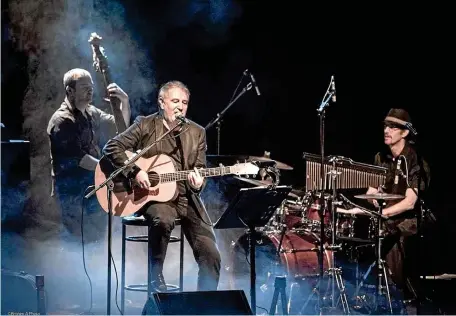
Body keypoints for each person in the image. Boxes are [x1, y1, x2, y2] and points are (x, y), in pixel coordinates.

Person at [102, 80, 221, 292]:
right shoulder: (145, 124)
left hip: (187, 199)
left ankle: (205, 304)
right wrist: (136, 171)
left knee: (211, 254)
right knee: (163, 219)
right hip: (153, 196)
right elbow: (112, 147)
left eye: (184, 102)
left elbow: (200, 169)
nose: (180, 106)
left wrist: (198, 183)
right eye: (175, 101)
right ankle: (154, 276)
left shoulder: (197, 132)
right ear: (161, 102)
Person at [348, 108, 430, 313]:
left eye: (393, 127)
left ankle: (404, 299)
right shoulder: (380, 157)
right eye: (385, 125)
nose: (387, 130)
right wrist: (375, 201)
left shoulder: (414, 159)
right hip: (385, 218)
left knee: (393, 239)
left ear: (405, 133)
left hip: (408, 221)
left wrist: (384, 213)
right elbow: (372, 190)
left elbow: (410, 202)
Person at [47, 68, 131, 241]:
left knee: (96, 239)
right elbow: (80, 158)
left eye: (91, 86)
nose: (90, 90)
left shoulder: (92, 112)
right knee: (78, 241)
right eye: (84, 86)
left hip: (94, 186)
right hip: (72, 193)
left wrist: (124, 101)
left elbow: (120, 127)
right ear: (70, 91)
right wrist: (111, 169)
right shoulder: (61, 121)